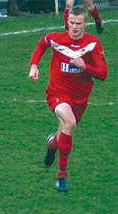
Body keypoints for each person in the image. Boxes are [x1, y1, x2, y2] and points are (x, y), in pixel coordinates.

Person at [29, 6, 108, 192]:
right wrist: (34, 66)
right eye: (71, 23)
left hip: (80, 97)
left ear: (86, 24)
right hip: (57, 93)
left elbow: (103, 74)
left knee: (66, 130)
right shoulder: (57, 38)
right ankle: (62, 175)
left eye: (78, 24)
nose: (74, 27)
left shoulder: (93, 44)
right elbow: (42, 44)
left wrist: (85, 66)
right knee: (70, 123)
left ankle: (52, 144)